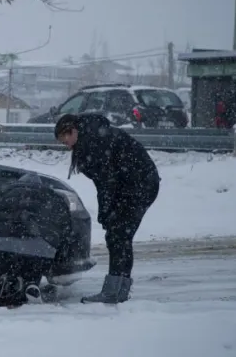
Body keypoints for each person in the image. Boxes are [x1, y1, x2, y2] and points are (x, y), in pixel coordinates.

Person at [54, 113, 160, 304]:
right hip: (133, 185)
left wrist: (107, 212)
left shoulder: (95, 142)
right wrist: (107, 212)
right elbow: (105, 182)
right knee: (118, 236)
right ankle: (119, 290)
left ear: (73, 130)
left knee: (119, 236)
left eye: (65, 140)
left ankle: (114, 291)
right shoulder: (91, 138)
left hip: (138, 186)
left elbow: (107, 182)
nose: (67, 146)